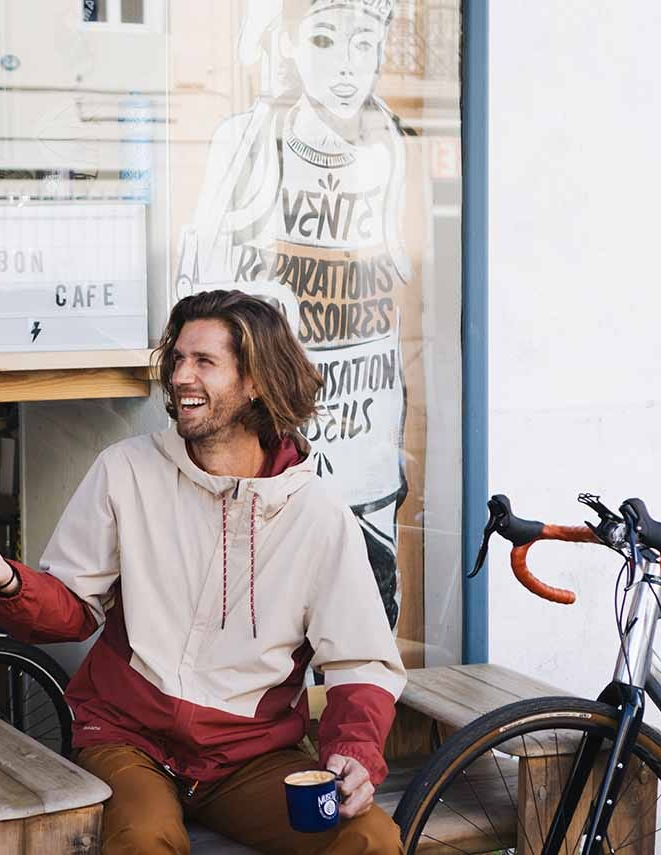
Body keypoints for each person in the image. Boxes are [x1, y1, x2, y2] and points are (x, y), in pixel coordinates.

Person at [0, 290, 405, 854]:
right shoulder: (127, 471)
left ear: (256, 383)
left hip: (249, 758)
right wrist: (5, 577)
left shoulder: (317, 514)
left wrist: (354, 751)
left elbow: (360, 660)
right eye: (177, 359)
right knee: (144, 839)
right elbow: (74, 611)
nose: (180, 377)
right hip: (127, 741)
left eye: (204, 362)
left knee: (368, 838)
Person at [178, 0, 411, 628]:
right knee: (271, 616)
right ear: (290, 47)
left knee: (368, 613)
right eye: (326, 40)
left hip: (366, 416)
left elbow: (392, 286)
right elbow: (197, 287)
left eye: (363, 44)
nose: (346, 65)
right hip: (279, 428)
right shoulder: (248, 143)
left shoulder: (387, 147)